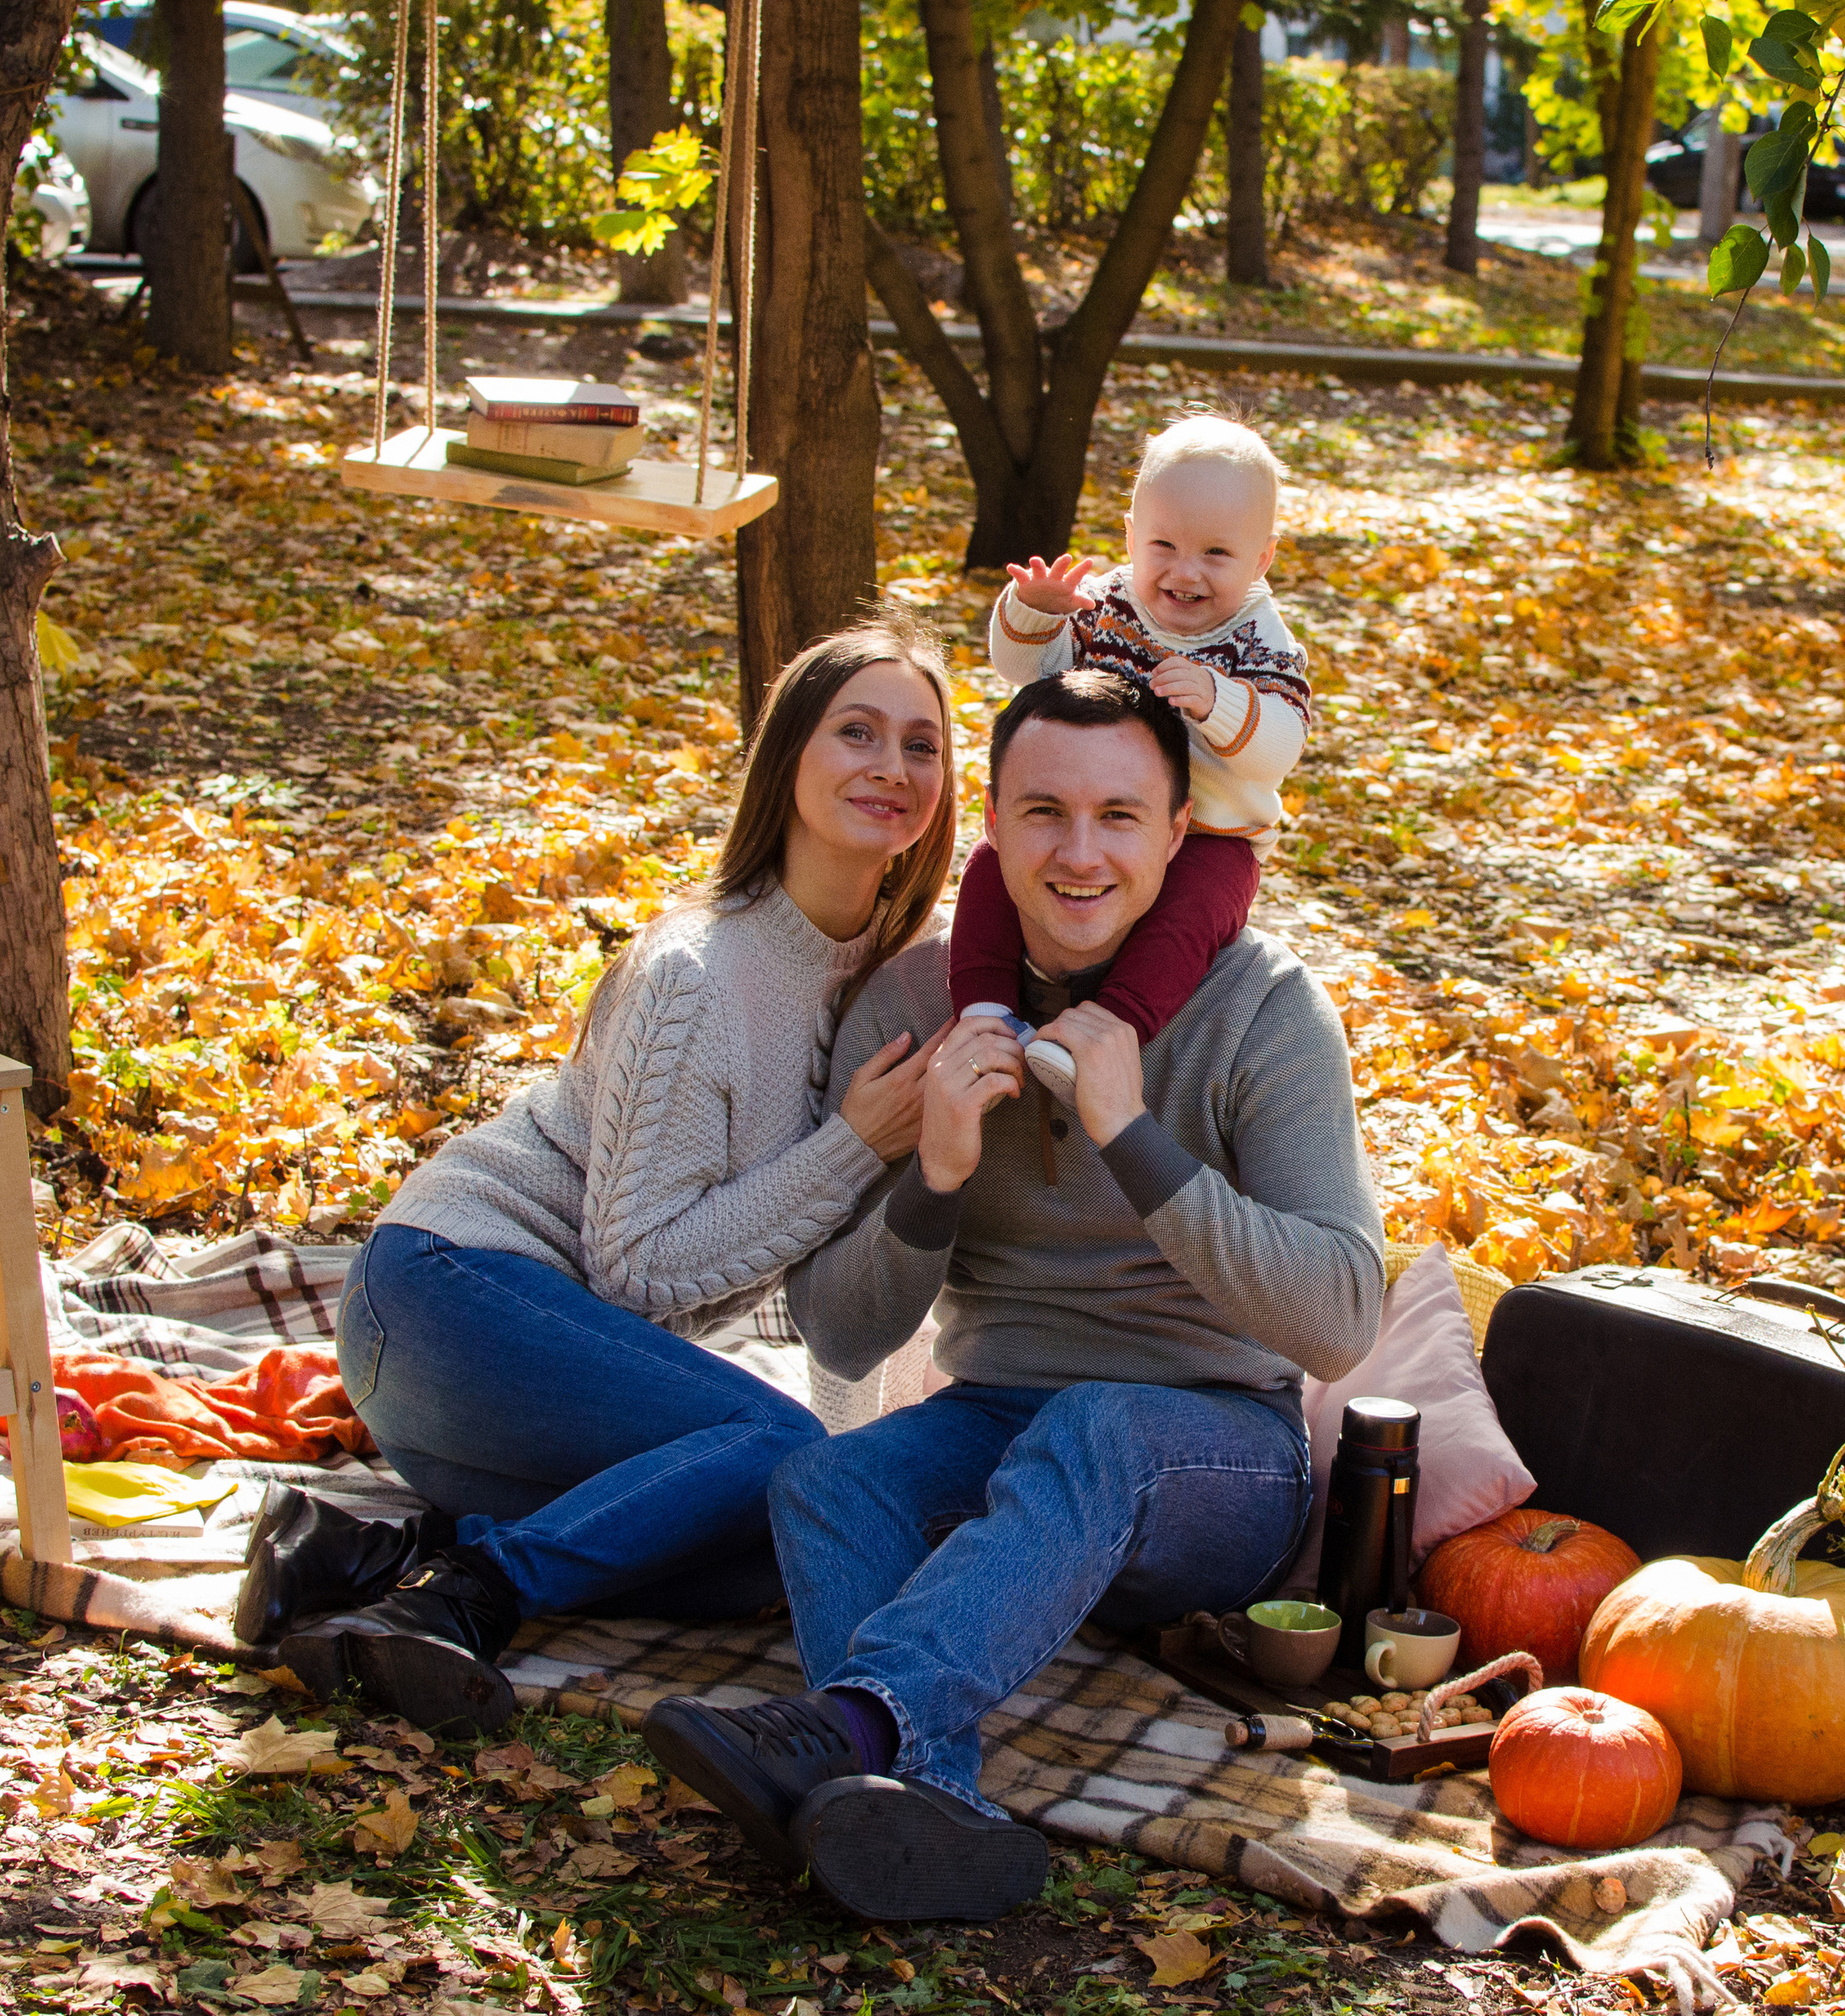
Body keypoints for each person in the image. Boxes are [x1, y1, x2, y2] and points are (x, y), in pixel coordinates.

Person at [642, 667, 1384, 1922]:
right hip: (996, 1418)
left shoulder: (1265, 1007)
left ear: (1179, 833)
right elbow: (842, 1332)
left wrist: (1134, 1137)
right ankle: (924, 1805)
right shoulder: (913, 1003)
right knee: (827, 1479)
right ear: (991, 822)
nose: (1080, 854)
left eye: (1119, 817)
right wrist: (934, 1176)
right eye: (1044, 812)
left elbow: (1341, 1320)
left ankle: (850, 1728)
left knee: (1095, 1428)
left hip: (1214, 1452)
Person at [236, 616, 959, 1734]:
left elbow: (826, 1276)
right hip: (447, 1293)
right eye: (856, 732)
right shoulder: (697, 972)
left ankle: (359, 1552)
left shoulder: (893, 979)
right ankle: (463, 1600)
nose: (892, 767)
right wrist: (854, 1144)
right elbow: (635, 1270)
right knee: (777, 1450)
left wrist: (847, 1476)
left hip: (525, 1401)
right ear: (788, 759)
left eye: (922, 745)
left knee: (775, 1542)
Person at [952, 415, 1310, 1109]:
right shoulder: (1107, 603)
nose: (1185, 571)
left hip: (1211, 835)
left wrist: (1220, 701)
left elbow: (1280, 748)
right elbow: (1028, 670)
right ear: (1129, 537)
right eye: (1163, 545)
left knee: (1184, 924)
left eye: (1217, 553)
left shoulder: (1261, 641)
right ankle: (985, 1014)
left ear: (1262, 560)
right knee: (990, 868)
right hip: (1094, 807)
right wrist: (1034, 613)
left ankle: (1107, 1028)